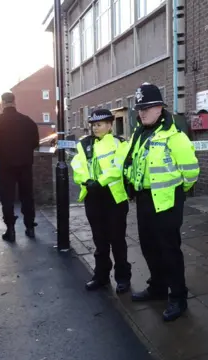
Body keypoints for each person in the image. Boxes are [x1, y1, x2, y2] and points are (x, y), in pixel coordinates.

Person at [122, 82, 200, 321]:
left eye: (147, 107)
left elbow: (191, 172)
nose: (141, 112)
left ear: (160, 108)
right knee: (148, 247)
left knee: (169, 251)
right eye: (139, 108)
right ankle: (157, 287)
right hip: (144, 199)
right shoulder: (139, 133)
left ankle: (178, 297)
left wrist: (178, 192)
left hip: (167, 201)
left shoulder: (175, 136)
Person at [70, 109, 132, 294]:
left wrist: (99, 182)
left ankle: (123, 278)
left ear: (110, 125)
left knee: (117, 240)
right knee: (99, 240)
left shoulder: (120, 143)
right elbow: (78, 165)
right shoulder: (84, 144)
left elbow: (118, 167)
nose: (96, 128)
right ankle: (101, 276)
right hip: (93, 196)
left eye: (100, 124)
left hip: (114, 197)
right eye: (94, 124)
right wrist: (86, 181)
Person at [0, 92, 40, 242]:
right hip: (25, 164)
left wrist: (1, 148)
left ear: (3, 103)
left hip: (6, 165)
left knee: (7, 198)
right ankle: (30, 227)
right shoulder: (27, 121)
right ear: (14, 102)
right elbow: (35, 143)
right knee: (27, 196)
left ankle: (10, 230)